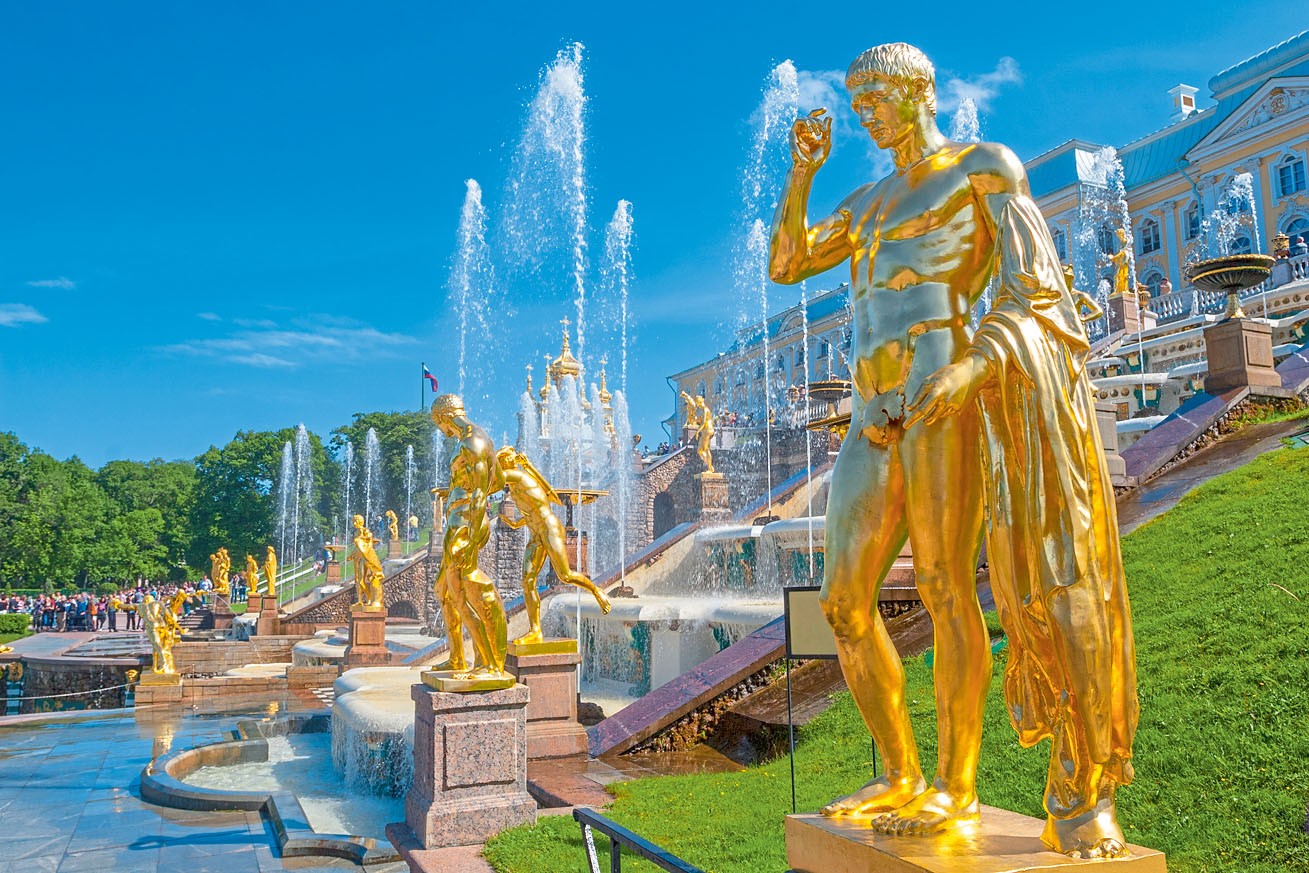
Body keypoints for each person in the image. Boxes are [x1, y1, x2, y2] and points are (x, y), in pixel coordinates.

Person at [769, 42, 1138, 859]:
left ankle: (954, 785)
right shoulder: (865, 202)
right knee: (842, 603)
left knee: (942, 586)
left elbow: (1036, 287)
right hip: (870, 409)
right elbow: (787, 262)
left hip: (941, 393)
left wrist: (973, 365)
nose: (864, 115)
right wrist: (801, 173)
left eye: (874, 98)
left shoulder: (981, 167)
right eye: (856, 104)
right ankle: (899, 772)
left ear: (917, 91)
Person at [495, 447, 611, 646]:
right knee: (528, 582)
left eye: (500, 461)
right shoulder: (514, 486)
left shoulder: (518, 476)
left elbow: (491, 480)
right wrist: (515, 523)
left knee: (565, 575)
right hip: (536, 534)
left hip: (549, 529)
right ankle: (535, 631)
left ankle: (596, 590)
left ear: (506, 462)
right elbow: (534, 510)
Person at [430, 393, 509, 679]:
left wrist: (474, 535)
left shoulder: (471, 442)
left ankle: (489, 664)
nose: (441, 431)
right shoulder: (473, 438)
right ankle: (456, 658)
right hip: (458, 520)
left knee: (461, 594)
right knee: (443, 591)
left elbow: (480, 493)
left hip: (466, 524)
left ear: (444, 417)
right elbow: (498, 480)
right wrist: (455, 491)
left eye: (439, 425)